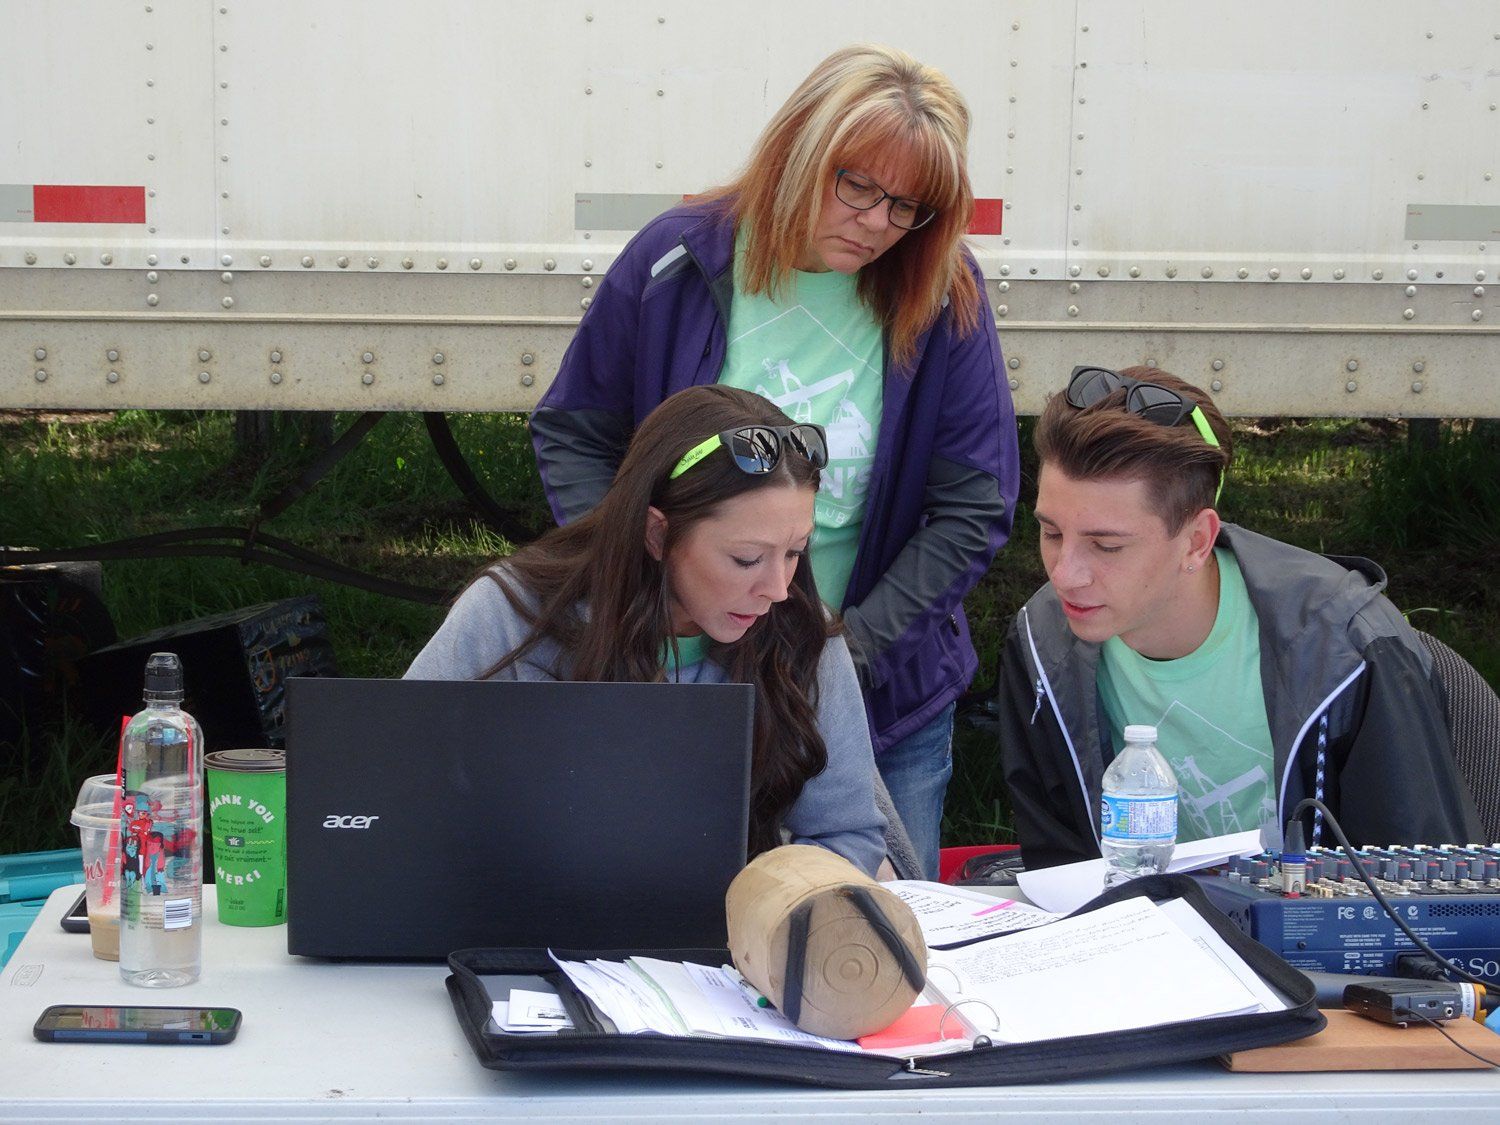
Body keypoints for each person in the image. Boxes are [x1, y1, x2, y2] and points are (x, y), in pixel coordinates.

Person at [530, 45, 1020, 878]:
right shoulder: (680, 256)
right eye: (856, 185)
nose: (875, 222)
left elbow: (974, 502)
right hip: (682, 672)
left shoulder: (944, 287)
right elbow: (575, 430)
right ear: (798, 147)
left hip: (880, 687)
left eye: (906, 206)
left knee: (874, 940)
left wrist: (843, 653)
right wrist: (630, 574)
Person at [998, 365, 1484, 871]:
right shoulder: (1041, 640)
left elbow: (1426, 892)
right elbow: (1060, 867)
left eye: (1106, 545)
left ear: (1196, 541)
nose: (1066, 576)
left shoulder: (1347, 646)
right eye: (1051, 533)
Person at [407, 385, 888, 877]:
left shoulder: (802, 631)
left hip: (729, 943)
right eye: (747, 559)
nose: (778, 589)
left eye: (794, 552)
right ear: (657, 533)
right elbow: (399, 785)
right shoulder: (511, 612)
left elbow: (846, 835)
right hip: (517, 929)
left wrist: (767, 909)